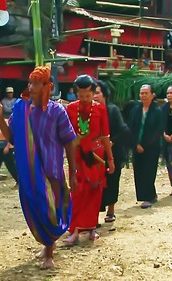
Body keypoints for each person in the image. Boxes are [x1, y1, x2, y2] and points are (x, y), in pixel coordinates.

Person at [0, 66, 77, 269]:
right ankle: (47, 245)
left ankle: (49, 252)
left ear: (47, 86)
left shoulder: (57, 111)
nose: (30, 87)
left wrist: (73, 172)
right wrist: (0, 118)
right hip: (28, 173)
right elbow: (12, 137)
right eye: (30, 82)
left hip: (52, 170)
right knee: (35, 209)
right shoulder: (21, 109)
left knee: (50, 210)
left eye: (35, 83)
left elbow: (70, 142)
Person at [64, 75, 115, 245]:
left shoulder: (100, 109)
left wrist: (110, 159)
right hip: (78, 156)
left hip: (96, 156)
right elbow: (66, 134)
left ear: (93, 93)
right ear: (76, 93)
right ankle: (75, 229)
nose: (84, 99)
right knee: (77, 192)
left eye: (87, 95)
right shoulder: (70, 109)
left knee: (95, 191)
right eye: (81, 96)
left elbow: (105, 135)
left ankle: (92, 227)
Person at [94, 80, 130, 223]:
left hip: (113, 152)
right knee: (95, 185)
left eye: (97, 93)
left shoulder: (113, 110)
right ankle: (94, 215)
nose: (94, 96)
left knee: (112, 181)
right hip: (96, 154)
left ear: (104, 94)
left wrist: (110, 143)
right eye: (93, 93)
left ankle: (111, 210)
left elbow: (122, 130)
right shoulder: (90, 110)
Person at [128, 84, 163, 209]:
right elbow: (130, 128)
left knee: (148, 171)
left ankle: (149, 197)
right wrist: (135, 144)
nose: (143, 95)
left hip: (151, 147)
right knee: (139, 171)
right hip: (136, 145)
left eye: (146, 93)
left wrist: (145, 145)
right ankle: (145, 195)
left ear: (152, 95)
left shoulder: (158, 111)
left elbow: (158, 131)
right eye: (141, 93)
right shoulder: (135, 110)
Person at [0, 118, 18, 186]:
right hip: (0, 147)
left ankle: (19, 181)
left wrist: (7, 146)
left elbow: (10, 135)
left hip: (6, 148)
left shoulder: (5, 121)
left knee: (11, 166)